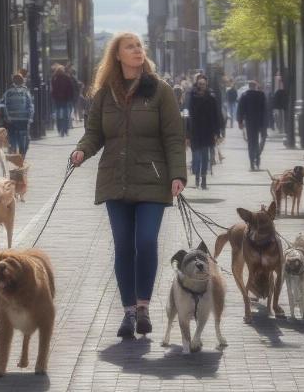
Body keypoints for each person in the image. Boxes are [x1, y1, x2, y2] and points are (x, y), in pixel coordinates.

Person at [70, 32, 186, 338]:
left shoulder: (160, 91)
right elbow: (94, 133)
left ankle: (144, 307)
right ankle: (128, 312)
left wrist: (178, 174)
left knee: (146, 242)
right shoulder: (105, 94)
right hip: (114, 180)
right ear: (117, 55)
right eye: (129, 46)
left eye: (139, 46)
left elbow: (174, 137)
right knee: (123, 247)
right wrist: (82, 150)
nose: (137, 50)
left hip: (153, 180)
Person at [187, 74, 221, 189]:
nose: (202, 86)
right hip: (195, 130)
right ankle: (197, 176)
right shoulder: (192, 97)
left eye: (204, 84)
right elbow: (190, 114)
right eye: (200, 84)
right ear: (197, 84)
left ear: (206, 85)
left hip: (207, 131)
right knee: (196, 156)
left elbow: (215, 115)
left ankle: (204, 179)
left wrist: (217, 132)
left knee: (205, 156)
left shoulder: (211, 98)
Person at [0, 73, 34, 157]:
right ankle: (22, 153)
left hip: (11, 119)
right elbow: (30, 106)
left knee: (12, 135)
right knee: (23, 136)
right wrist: (30, 118)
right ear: (22, 81)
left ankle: (13, 151)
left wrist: (5, 117)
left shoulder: (8, 92)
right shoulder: (26, 92)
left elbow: (2, 105)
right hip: (24, 119)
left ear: (13, 81)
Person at [237, 80, 267, 171]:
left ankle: (251, 163)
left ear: (249, 86)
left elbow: (240, 110)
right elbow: (265, 110)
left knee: (251, 142)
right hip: (260, 122)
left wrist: (240, 121)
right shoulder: (261, 95)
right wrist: (266, 123)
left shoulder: (244, 96)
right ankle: (257, 160)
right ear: (255, 86)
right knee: (258, 142)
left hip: (250, 122)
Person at [51, 65, 75, 136]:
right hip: (65, 99)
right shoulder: (66, 77)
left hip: (58, 99)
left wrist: (54, 97)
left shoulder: (54, 78)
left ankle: (60, 129)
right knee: (65, 115)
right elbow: (71, 88)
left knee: (59, 115)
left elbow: (53, 89)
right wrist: (71, 98)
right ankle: (65, 130)